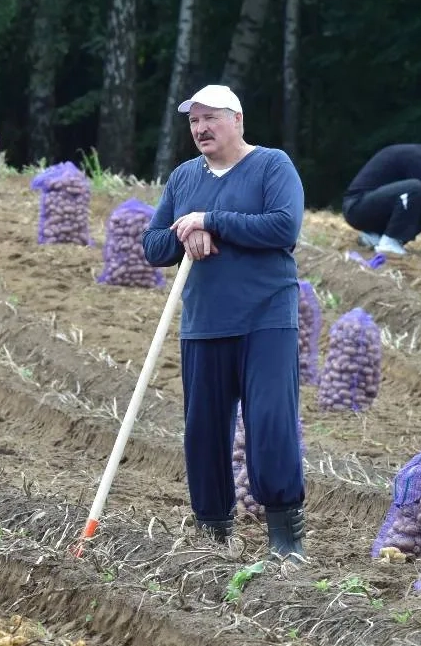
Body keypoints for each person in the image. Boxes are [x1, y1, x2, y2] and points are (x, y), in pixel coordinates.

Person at [141, 84, 307, 561]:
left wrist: (211, 220)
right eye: (194, 121)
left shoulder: (272, 165)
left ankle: (286, 536)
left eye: (210, 117)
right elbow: (153, 245)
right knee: (204, 430)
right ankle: (213, 532)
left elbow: (283, 226)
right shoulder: (183, 177)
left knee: (270, 421)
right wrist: (186, 231)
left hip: (266, 317)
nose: (200, 128)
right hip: (204, 322)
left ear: (237, 119)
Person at [341, 132, 421, 255]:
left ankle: (374, 237)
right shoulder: (414, 160)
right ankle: (390, 243)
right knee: (414, 188)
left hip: (371, 208)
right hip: (356, 208)